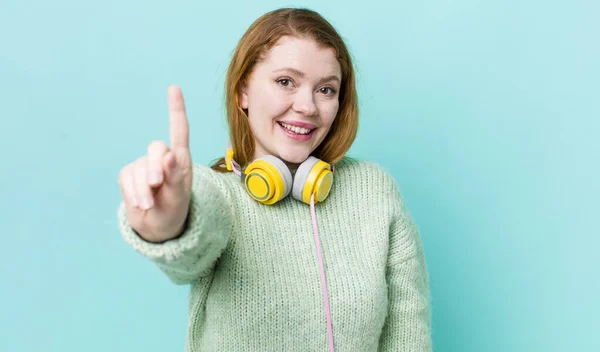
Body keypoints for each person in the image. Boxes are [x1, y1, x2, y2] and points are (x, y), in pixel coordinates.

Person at [117, 7, 432, 352]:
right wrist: (168, 220)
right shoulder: (220, 195)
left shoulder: (374, 192)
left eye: (326, 90)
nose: (307, 106)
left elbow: (407, 335)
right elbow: (190, 239)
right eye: (286, 82)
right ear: (243, 92)